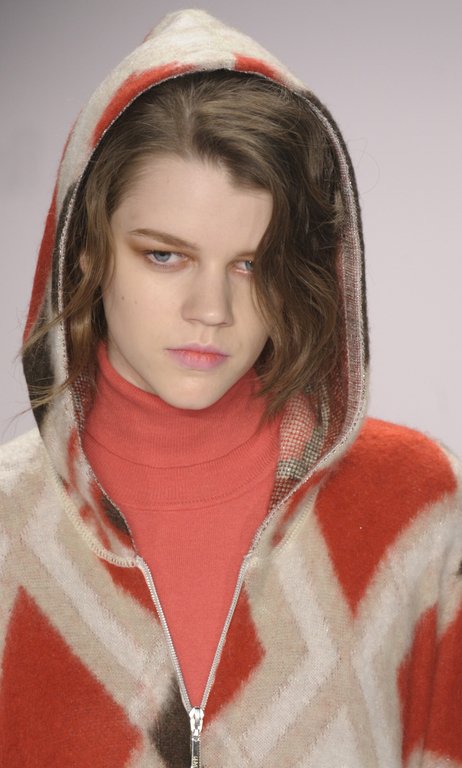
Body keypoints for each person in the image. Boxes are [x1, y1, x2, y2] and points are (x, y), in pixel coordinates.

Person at [0, 8, 461, 768]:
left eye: (252, 264)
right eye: (165, 255)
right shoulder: (10, 532)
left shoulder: (420, 512)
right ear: (86, 250)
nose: (211, 310)